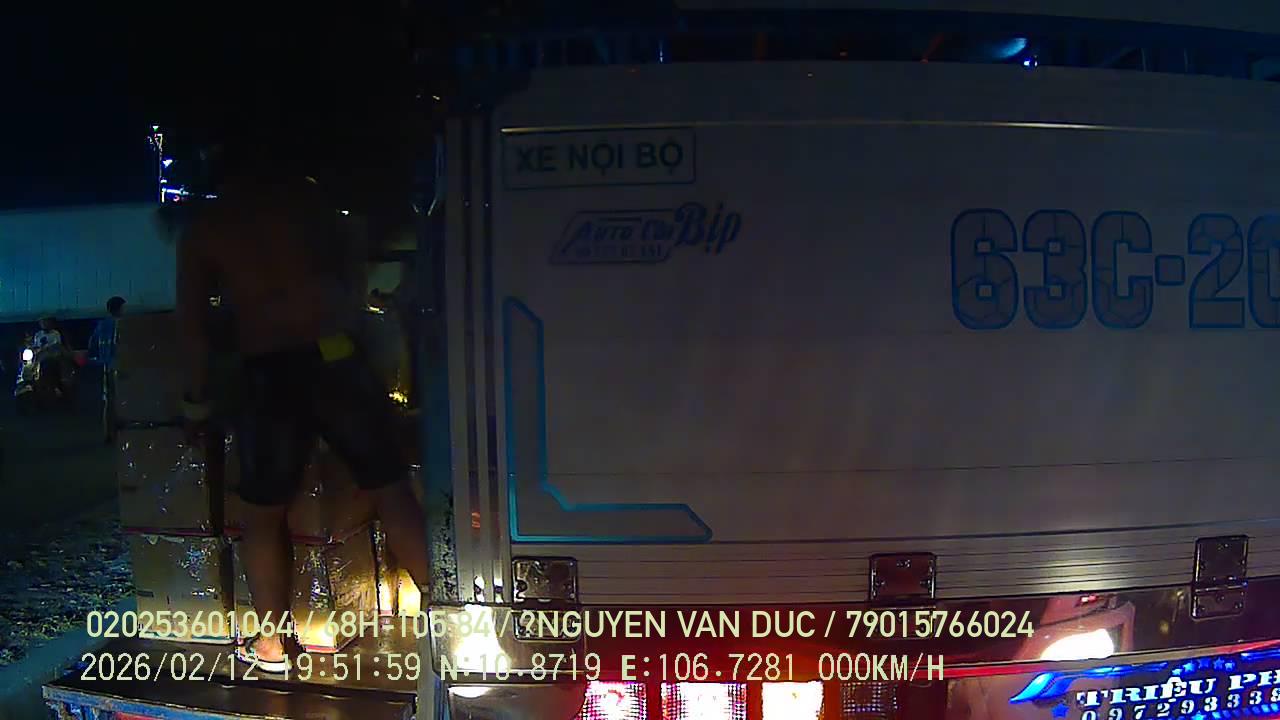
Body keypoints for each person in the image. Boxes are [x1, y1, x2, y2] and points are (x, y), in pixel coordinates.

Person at [176, 137, 429, 673]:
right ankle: (441, 609)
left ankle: (273, 644)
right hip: (336, 358)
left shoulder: (208, 228)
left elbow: (193, 328)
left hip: (269, 372)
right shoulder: (312, 204)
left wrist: (196, 402)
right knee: (389, 487)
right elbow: (354, 280)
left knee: (263, 514)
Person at [88, 297, 126, 442]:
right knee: (120, 399)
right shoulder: (121, 324)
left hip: (105, 366)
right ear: (119, 309)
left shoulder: (101, 325)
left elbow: (92, 345)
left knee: (108, 401)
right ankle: (118, 431)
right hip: (119, 365)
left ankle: (108, 433)